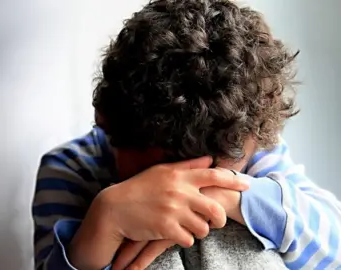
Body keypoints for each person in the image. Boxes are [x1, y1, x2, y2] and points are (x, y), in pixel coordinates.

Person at [32, 0, 341, 269]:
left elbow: (334, 247)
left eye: (210, 174)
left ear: (255, 141)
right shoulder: (70, 167)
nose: (181, 191)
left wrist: (226, 197)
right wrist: (105, 218)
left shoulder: (248, 145)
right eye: (162, 174)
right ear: (106, 125)